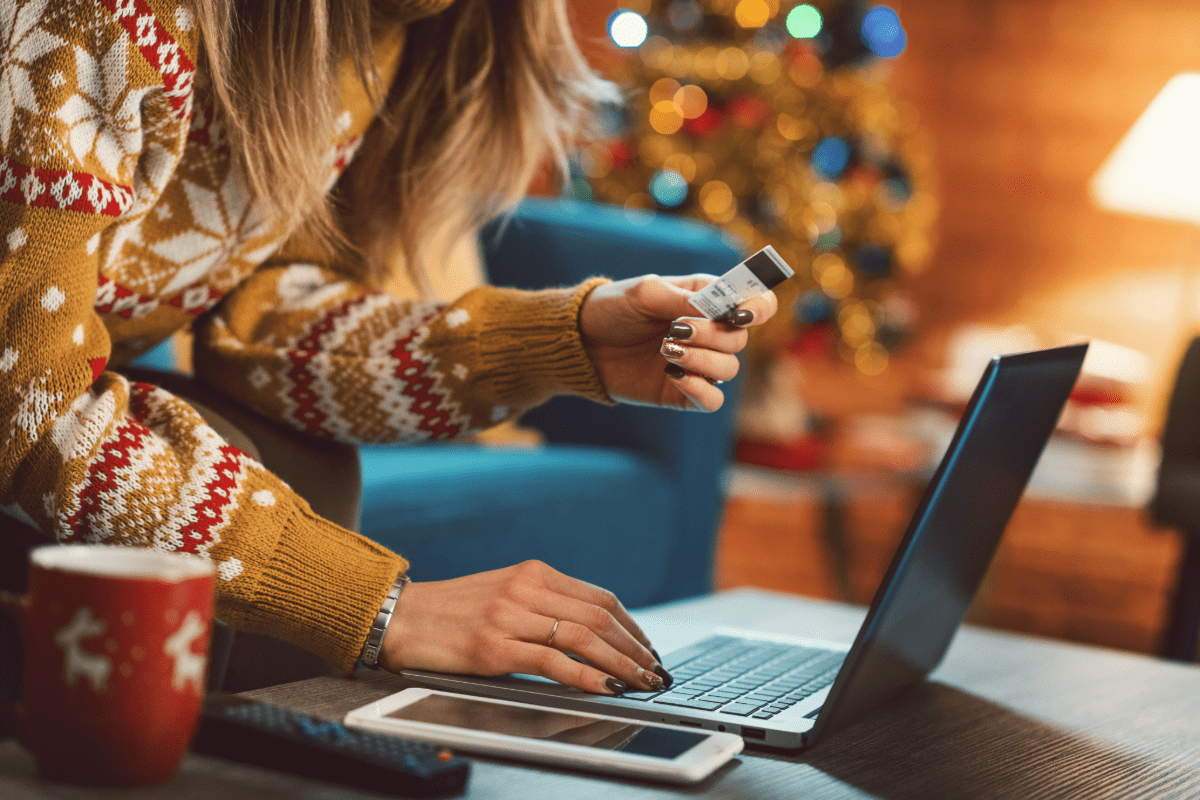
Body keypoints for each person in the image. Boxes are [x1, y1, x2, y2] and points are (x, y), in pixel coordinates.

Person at [0, 0, 777, 696]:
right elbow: (24, 400)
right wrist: (378, 607)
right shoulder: (106, 17)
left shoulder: (383, 33)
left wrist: (561, 343)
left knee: (305, 455)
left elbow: (258, 321)